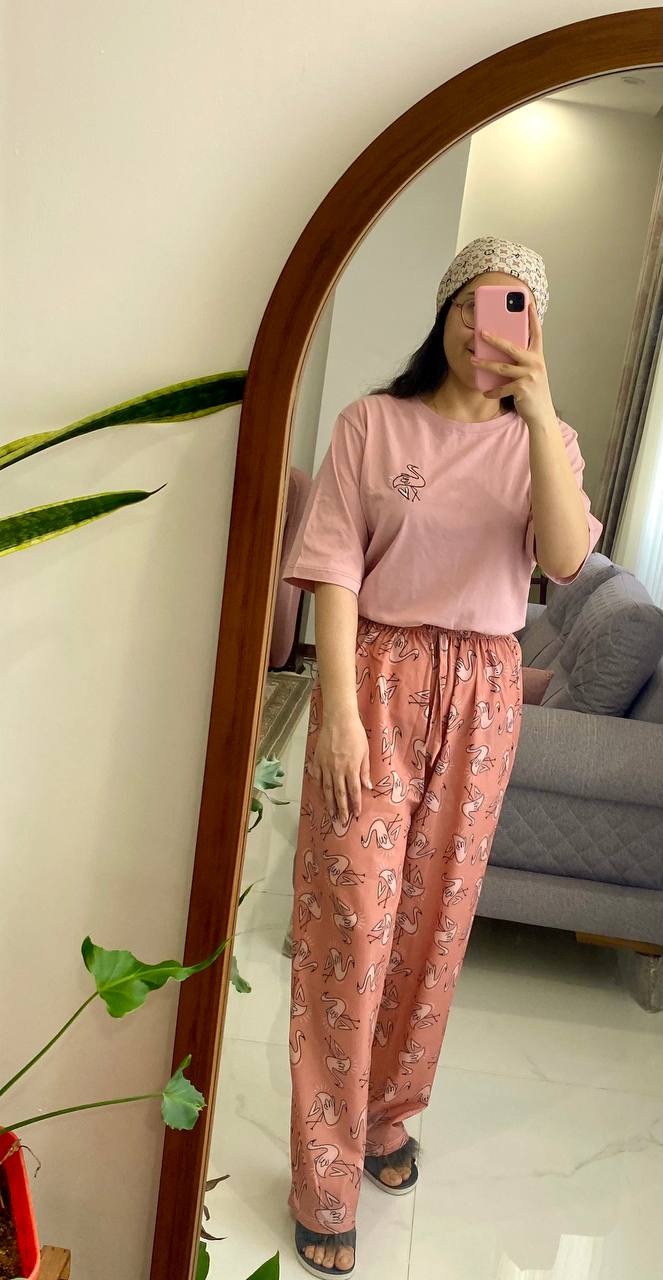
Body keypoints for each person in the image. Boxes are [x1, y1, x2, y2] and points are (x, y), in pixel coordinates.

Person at [281, 235, 603, 1277]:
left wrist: (540, 409)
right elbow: (334, 567)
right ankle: (324, 1173)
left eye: (512, 311)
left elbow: (563, 557)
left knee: (433, 922)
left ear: (535, 328)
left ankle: (387, 1116)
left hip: (484, 692)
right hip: (374, 676)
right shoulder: (372, 423)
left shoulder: (549, 442)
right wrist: (336, 711)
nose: (485, 329)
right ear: (445, 311)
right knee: (349, 919)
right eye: (472, 305)